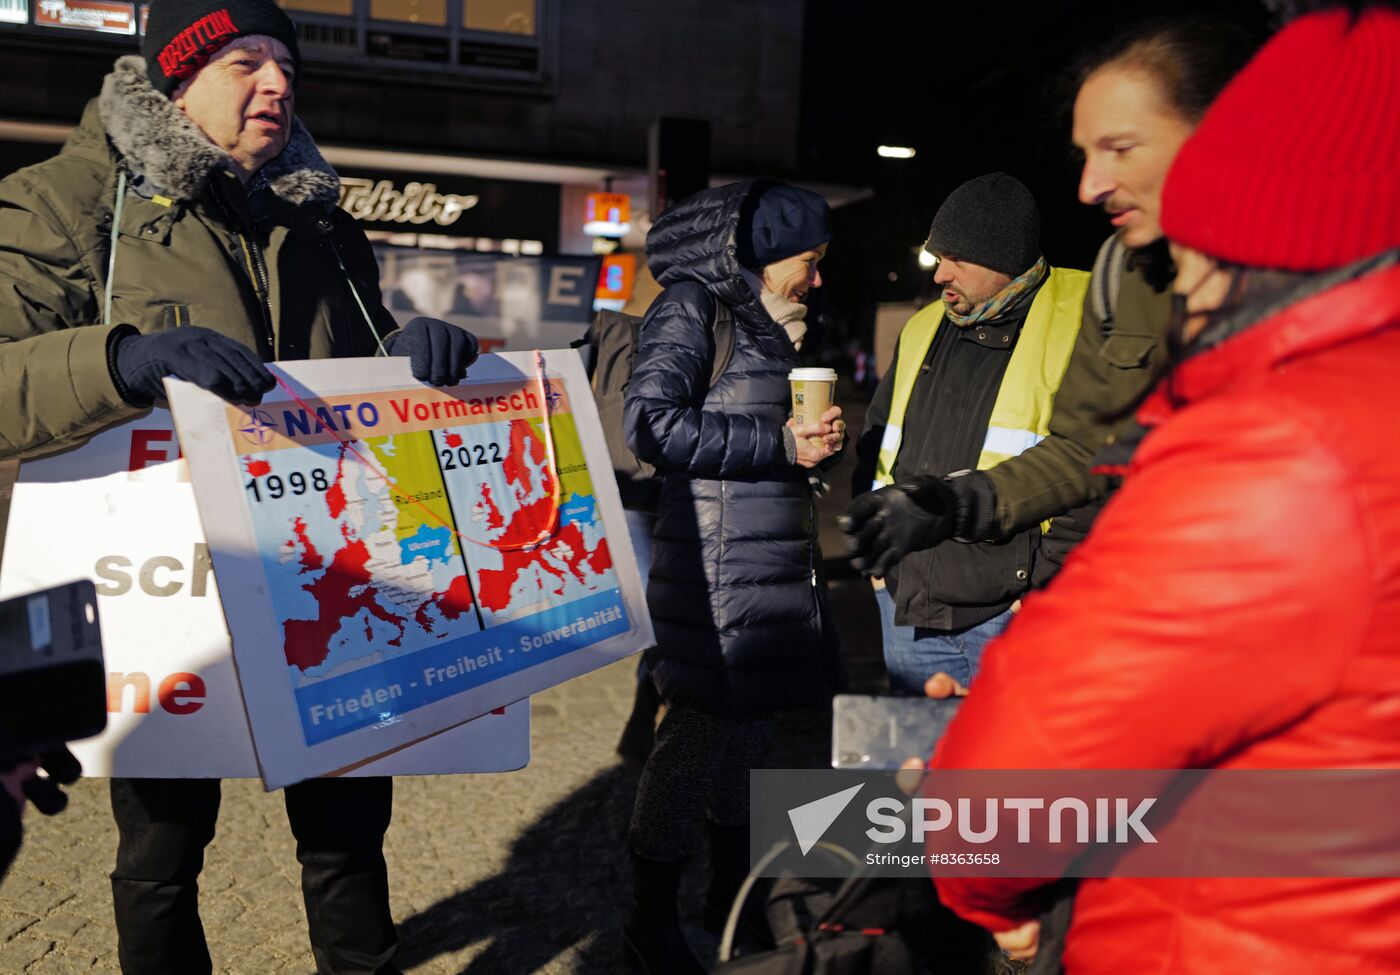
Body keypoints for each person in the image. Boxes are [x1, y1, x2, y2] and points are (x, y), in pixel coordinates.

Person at [0, 0, 477, 970]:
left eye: (286, 66)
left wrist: (412, 359)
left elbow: (355, 370)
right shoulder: (65, 201)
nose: (277, 84)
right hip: (165, 593)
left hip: (329, 581)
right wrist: (119, 363)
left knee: (347, 832)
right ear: (174, 80)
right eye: (244, 62)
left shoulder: (323, 223)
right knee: (163, 847)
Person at [923, 6, 1400, 972]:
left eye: (1202, 252)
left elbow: (1017, 778)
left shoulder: (1282, 447)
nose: (1188, 290)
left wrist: (986, 876)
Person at [845, 15, 1259, 591]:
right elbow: (1084, 451)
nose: (1091, 186)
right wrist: (954, 503)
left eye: (1120, 148)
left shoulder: (1350, 268)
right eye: (1086, 155)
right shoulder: (1124, 274)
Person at [621, 179, 845, 974]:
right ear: (765, 252)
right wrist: (780, 442)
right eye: (809, 262)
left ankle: (728, 902)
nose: (818, 279)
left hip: (766, 572)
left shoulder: (768, 323)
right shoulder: (694, 306)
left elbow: (759, 435)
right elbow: (649, 422)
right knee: (692, 745)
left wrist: (813, 444)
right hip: (714, 576)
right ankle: (647, 920)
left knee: (749, 745)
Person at [851, 173, 1089, 692]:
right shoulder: (924, 328)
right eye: (938, 258)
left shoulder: (1078, 325)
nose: (940, 275)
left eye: (954, 258)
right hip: (908, 601)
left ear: (1002, 256)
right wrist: (878, 568)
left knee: (1006, 772)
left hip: (1009, 614)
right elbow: (878, 440)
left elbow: (1091, 467)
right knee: (919, 770)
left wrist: (1045, 588)